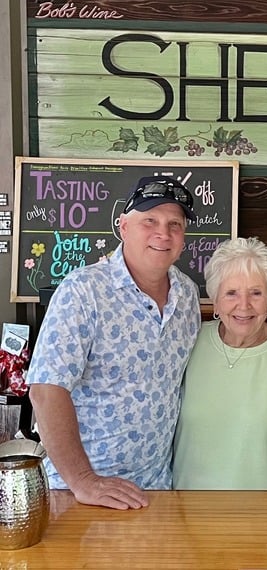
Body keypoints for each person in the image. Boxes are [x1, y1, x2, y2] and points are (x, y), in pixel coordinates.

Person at [27, 175, 201, 510]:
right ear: (122, 226)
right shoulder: (83, 291)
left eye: (174, 224)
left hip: (156, 490)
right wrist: (84, 481)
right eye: (149, 220)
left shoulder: (188, 294)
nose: (163, 234)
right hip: (80, 495)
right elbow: (46, 390)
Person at [172, 237, 267, 490]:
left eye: (256, 293)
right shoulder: (190, 342)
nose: (243, 306)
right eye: (231, 293)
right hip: (189, 512)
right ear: (216, 301)